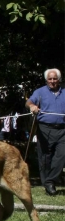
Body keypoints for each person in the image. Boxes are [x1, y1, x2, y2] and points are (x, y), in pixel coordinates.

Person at [26, 68, 65, 196]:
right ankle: (47, 184)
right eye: (50, 79)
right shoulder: (40, 92)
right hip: (44, 128)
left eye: (55, 79)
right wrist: (32, 106)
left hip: (62, 129)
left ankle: (50, 180)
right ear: (46, 80)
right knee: (45, 157)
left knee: (61, 156)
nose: (52, 81)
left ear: (59, 80)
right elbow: (29, 101)